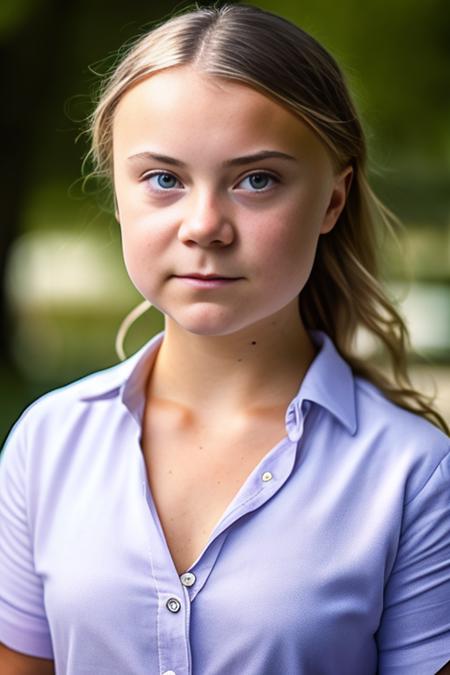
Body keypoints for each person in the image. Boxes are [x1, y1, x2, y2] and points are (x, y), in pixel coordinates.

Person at [0, 3, 449, 674]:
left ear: (332, 199)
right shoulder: (47, 443)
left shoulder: (414, 474)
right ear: (119, 195)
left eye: (256, 179)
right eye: (163, 180)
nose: (205, 225)